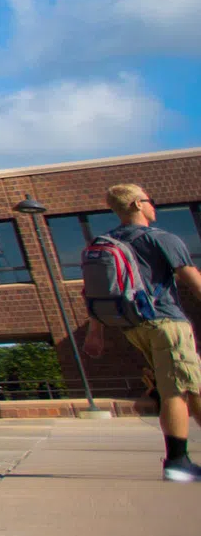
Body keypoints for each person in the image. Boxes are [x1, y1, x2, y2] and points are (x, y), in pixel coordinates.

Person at [84, 182, 201, 483]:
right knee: (176, 389)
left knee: (191, 384)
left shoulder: (105, 242)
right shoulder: (161, 238)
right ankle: (177, 463)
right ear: (137, 204)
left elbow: (93, 290)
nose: (154, 206)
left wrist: (95, 332)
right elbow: (192, 279)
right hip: (166, 322)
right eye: (151, 201)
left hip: (132, 326)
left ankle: (179, 460)